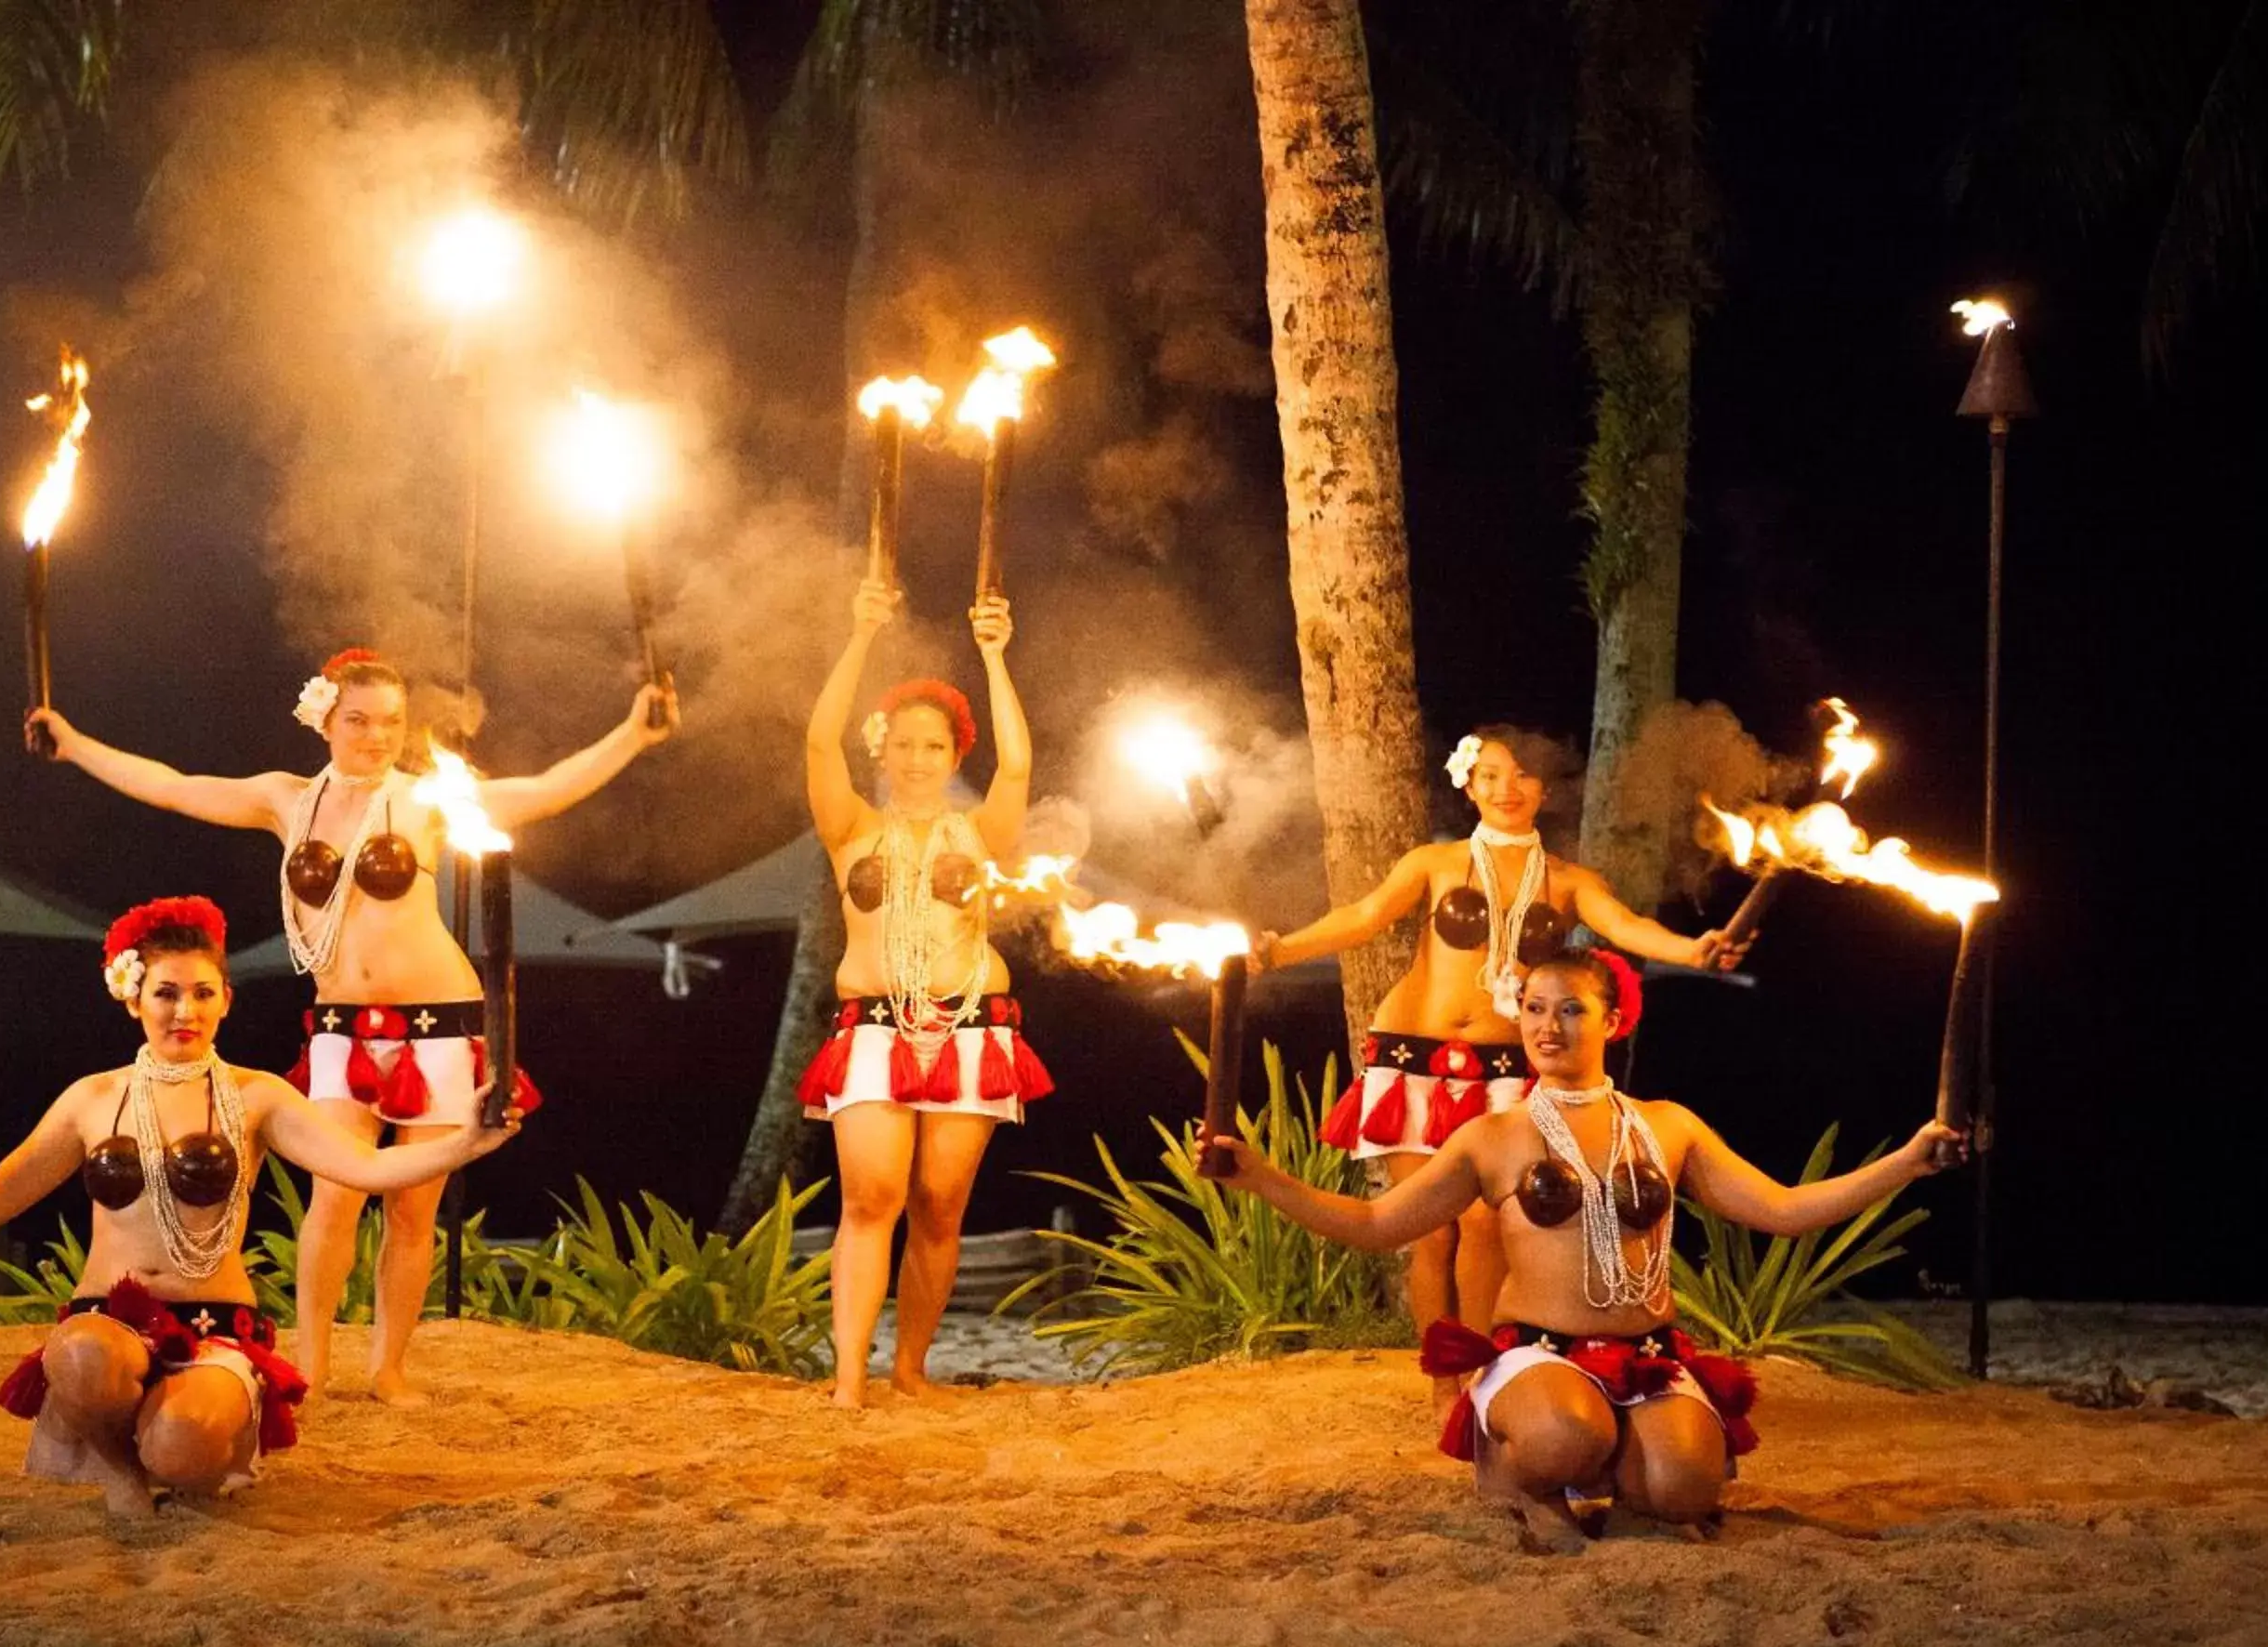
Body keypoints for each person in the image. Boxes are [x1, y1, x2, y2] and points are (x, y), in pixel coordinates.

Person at [28, 652, 672, 1402]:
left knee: (413, 1205)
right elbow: (173, 788)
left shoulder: (426, 799)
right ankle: (313, 1363)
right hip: (341, 1025)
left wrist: (632, 735)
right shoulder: (285, 800)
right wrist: (72, 742)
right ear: (325, 720)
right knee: (334, 1193)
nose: (375, 736)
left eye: (391, 722)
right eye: (358, 720)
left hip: (437, 1023)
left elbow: (540, 793)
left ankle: (389, 1368)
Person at [1206, 948, 1958, 1547]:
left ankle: (1629, 1469)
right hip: (1540, 1353)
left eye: (1571, 1009)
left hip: (1649, 1353)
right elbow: (1377, 1226)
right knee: (1568, 1434)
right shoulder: (1493, 1136)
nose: (1547, 1026)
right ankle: (1512, 1470)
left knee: (1684, 1491)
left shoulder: (1667, 1126)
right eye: (1533, 1008)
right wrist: (1263, 1177)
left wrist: (1908, 1163)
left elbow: (1785, 1209)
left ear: (1613, 1019)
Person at [0, 897, 516, 1517]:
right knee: (78, 1359)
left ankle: (162, 1441)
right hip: (108, 1323)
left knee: (183, 1451)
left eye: (201, 993)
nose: (183, 1011)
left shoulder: (258, 1098)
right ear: (133, 998)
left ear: (226, 1001)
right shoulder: (92, 1100)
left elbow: (367, 1166)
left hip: (216, 1329)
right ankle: (118, 1465)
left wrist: (466, 1140)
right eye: (165, 993)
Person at [1257, 728, 1747, 1401]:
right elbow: (1365, 916)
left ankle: (1489, 1374)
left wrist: (1695, 951)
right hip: (1416, 1060)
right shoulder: (1434, 862)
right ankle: (1442, 1382)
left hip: (1506, 1071)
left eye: (1520, 778)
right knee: (1426, 1230)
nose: (1504, 790)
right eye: (1489, 775)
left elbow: (1626, 926)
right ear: (1468, 783)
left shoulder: (1570, 881)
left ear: (1544, 790)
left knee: (1486, 1225)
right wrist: (1279, 950)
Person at [795, 581, 1047, 1408]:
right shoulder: (851, 829)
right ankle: (845, 1383)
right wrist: (861, 634)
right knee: (873, 1196)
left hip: (972, 1029)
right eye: (903, 743)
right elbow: (817, 740)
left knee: (940, 1208)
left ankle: (909, 1370)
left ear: (952, 756)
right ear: (884, 749)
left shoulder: (980, 836)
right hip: (872, 1028)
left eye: (933, 746)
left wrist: (994, 655)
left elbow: (1019, 763)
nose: (915, 759)